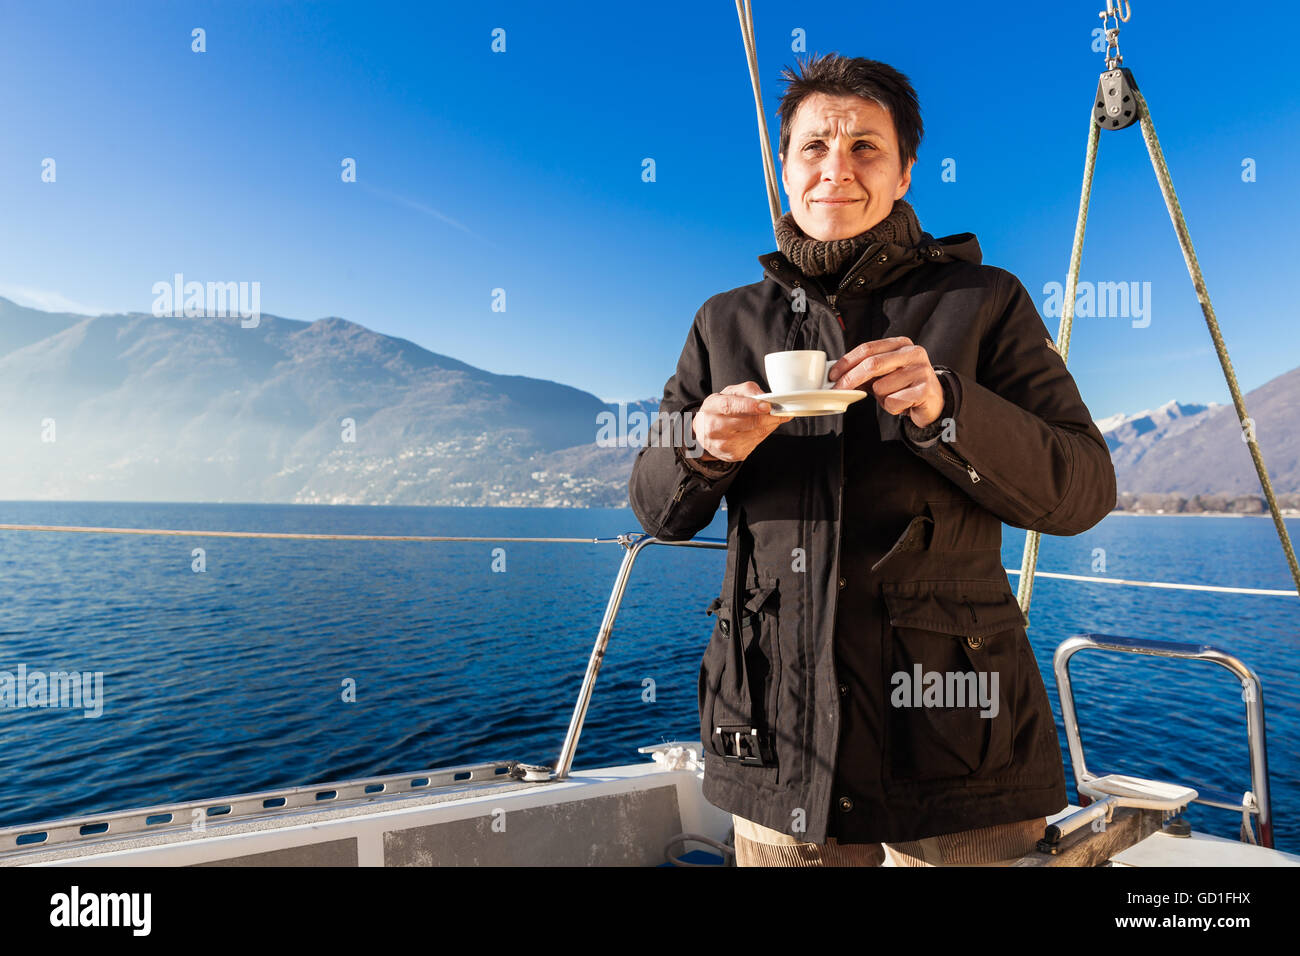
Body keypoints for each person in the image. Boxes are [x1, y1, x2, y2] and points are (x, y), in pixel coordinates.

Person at [628, 52, 1118, 867]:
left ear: (904, 173)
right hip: (777, 737)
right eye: (814, 148)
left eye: (865, 148)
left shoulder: (983, 302)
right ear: (785, 168)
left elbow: (1082, 490)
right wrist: (702, 450)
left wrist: (947, 406)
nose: (836, 169)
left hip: (958, 739)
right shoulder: (724, 323)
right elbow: (656, 509)